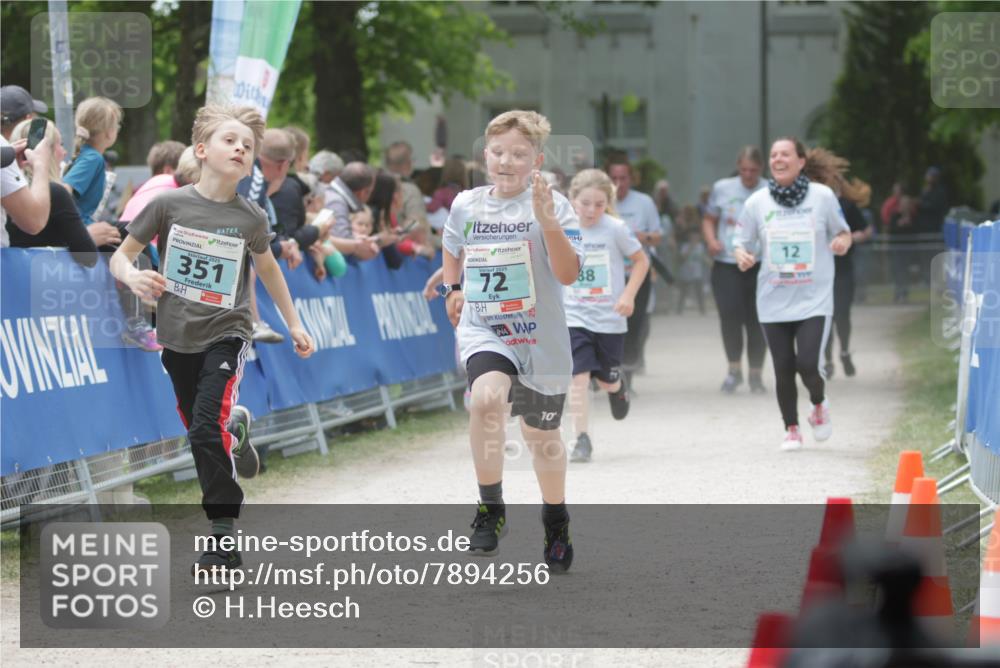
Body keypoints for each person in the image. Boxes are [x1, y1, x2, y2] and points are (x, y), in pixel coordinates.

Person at [109, 104, 316, 574]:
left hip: (228, 334)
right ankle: (234, 429)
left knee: (204, 428)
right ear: (201, 150)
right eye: (230, 140)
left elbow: (267, 270)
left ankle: (222, 540)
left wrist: (294, 322)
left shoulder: (250, 217)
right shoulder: (167, 205)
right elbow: (122, 257)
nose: (241, 148)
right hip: (176, 339)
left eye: (248, 145)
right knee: (201, 430)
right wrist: (135, 278)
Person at [442, 110, 583, 572]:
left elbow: (567, 274)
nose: (506, 161)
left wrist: (546, 222)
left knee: (540, 434)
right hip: (488, 329)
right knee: (484, 401)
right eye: (498, 151)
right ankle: (491, 507)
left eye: (519, 154)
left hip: (540, 336)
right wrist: (453, 288)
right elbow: (452, 248)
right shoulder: (467, 203)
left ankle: (556, 519)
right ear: (485, 154)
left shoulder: (554, 205)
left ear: (537, 160)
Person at [733, 137, 852, 451]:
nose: (778, 159)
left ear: (801, 161)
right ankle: (792, 428)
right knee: (783, 366)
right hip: (773, 299)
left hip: (814, 298)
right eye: (773, 155)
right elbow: (740, 241)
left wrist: (842, 241)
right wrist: (742, 255)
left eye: (785, 154)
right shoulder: (757, 202)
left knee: (809, 364)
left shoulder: (822, 197)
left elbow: (844, 231)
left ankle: (818, 402)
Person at [563, 169, 648, 463]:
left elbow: (641, 261)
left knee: (605, 377)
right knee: (579, 377)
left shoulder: (615, 229)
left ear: (608, 203)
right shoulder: (562, 228)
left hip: (609, 317)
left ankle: (616, 385)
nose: (591, 210)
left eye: (599, 204)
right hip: (574, 316)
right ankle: (582, 439)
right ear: (572, 199)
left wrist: (628, 296)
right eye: (585, 203)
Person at [802, 148, 873, 378]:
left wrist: (852, 238)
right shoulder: (807, 204)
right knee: (824, 316)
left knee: (842, 314)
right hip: (818, 270)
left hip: (842, 269)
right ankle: (828, 359)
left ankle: (844, 351)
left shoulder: (844, 205)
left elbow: (864, 229)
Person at [702, 146, 768, 393]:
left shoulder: (769, 189)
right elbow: (709, 220)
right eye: (744, 170)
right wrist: (711, 241)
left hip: (759, 264)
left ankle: (756, 375)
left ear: (761, 169)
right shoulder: (722, 188)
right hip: (727, 263)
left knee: (757, 321)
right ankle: (734, 370)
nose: (748, 175)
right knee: (729, 317)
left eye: (753, 170)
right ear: (738, 167)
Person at [6, 119, 97, 265]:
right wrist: (90, 235)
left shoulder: (7, 192)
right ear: (46, 151)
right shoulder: (55, 193)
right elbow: (88, 258)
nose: (64, 152)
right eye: (60, 144)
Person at [607, 155, 662, 383]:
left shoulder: (644, 202)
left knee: (634, 323)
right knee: (606, 322)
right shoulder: (600, 201)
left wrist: (641, 237)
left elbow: (658, 237)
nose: (619, 183)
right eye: (614, 178)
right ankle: (601, 372)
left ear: (632, 179)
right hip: (608, 276)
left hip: (638, 274)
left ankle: (626, 378)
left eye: (624, 178)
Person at [63, 97, 122, 230]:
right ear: (109, 132)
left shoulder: (84, 153)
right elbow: (64, 191)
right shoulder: (93, 158)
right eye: (116, 125)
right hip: (81, 228)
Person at [324, 161, 379, 260]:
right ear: (362, 192)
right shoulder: (337, 202)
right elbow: (342, 239)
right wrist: (362, 244)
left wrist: (356, 237)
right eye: (369, 192)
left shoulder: (332, 194)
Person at [675, 224, 708, 315]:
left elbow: (705, 258)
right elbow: (682, 258)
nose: (694, 237)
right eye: (693, 236)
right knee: (683, 293)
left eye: (696, 236)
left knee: (699, 293)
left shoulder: (701, 246)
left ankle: (702, 310)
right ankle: (679, 310)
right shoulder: (685, 246)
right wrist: (691, 247)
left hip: (698, 273)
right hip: (686, 273)